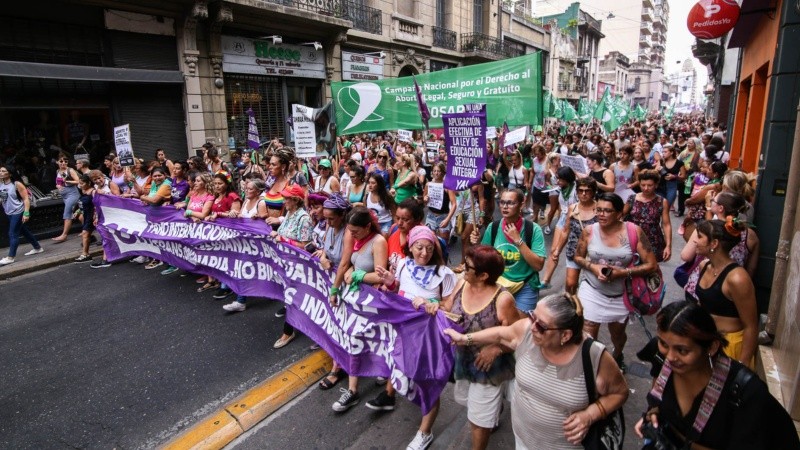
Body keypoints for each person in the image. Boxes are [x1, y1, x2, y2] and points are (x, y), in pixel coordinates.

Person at [444, 293, 629, 450]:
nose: (533, 327)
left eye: (541, 326)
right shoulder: (528, 332)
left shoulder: (594, 356)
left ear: (565, 335)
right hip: (523, 441)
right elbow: (501, 333)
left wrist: (591, 414)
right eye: (533, 317)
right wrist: (464, 338)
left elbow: (620, 393)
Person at [635, 301, 800, 450]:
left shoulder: (747, 393)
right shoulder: (659, 355)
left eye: (682, 350)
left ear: (712, 347)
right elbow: (657, 392)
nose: (670, 357)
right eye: (664, 344)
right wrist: (654, 412)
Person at [365, 225, 457, 449]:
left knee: (429, 381)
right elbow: (398, 292)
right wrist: (390, 283)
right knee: (405, 375)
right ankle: (392, 395)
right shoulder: (404, 266)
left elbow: (451, 307)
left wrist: (433, 304)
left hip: (429, 340)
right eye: (419, 247)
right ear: (410, 247)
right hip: (403, 334)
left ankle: (424, 432)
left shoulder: (444, 274)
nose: (423, 253)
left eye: (428, 248)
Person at [442, 245, 521, 450]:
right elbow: (447, 308)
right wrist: (430, 304)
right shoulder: (461, 284)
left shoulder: (503, 299)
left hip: (489, 368)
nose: (462, 269)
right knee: (470, 405)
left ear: (484, 275)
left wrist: (495, 349)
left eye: (467, 267)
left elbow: (517, 336)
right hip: (464, 362)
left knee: (478, 422)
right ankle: (493, 411)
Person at [573, 192, 658, 371]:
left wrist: (623, 273)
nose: (601, 214)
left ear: (619, 214)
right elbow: (578, 257)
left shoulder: (634, 231)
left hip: (622, 294)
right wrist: (593, 267)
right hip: (592, 290)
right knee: (588, 331)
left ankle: (618, 354)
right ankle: (590, 368)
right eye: (599, 210)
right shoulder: (589, 231)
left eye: (607, 211)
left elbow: (651, 265)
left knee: (617, 335)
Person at [328, 206, 388, 412]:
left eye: (355, 232)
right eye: (350, 231)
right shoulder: (358, 239)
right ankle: (352, 390)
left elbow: (381, 275)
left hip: (370, 304)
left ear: (368, 226)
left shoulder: (378, 242)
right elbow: (352, 261)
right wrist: (351, 272)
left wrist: (358, 275)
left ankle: (380, 372)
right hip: (355, 300)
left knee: (372, 342)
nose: (351, 235)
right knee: (352, 341)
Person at [685, 219, 758, 367]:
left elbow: (751, 326)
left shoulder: (738, 278)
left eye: (699, 237)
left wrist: (742, 366)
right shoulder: (703, 266)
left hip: (729, 347)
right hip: (706, 341)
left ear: (714, 244)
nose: (695, 241)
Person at [471, 189, 546, 314]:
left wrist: (519, 241)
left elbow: (538, 265)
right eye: (502, 202)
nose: (505, 207)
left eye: (510, 203)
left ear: (521, 205)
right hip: (498, 285)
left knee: (520, 328)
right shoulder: (493, 227)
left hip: (525, 285)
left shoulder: (533, 229)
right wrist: (476, 244)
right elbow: (482, 259)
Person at [271, 184, 313, 348]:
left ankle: (288, 332)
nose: (284, 200)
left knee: (292, 297)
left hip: (298, 266)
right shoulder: (289, 213)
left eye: (287, 197)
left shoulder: (304, 219)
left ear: (295, 200)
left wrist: (283, 240)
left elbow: (306, 245)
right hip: (286, 263)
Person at [546, 178, 598, 294]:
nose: (583, 194)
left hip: (593, 253)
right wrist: (557, 250)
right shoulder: (572, 208)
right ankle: (571, 306)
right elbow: (566, 230)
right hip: (574, 250)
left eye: (587, 191)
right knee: (570, 284)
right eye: (580, 191)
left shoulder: (599, 209)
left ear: (594, 192)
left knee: (592, 285)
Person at [623, 169, 672, 262]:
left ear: (656, 185)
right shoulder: (632, 198)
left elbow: (666, 224)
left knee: (651, 268)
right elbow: (621, 215)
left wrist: (668, 246)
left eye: (650, 185)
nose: (646, 188)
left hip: (653, 241)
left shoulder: (662, 201)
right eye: (643, 185)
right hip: (633, 238)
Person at [0, 165, 43, 266]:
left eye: (3, 171)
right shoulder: (1, 184)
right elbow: (3, 198)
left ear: (9, 173)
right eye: (0, 171)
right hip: (9, 212)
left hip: (18, 211)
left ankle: (10, 257)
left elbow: (25, 199)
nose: (0, 173)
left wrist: (26, 213)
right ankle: (37, 248)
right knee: (24, 231)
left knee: (12, 233)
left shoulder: (17, 184)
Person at [423, 162, 456, 242]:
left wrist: (448, 219)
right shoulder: (428, 185)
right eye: (434, 171)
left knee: (443, 243)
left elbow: (454, 204)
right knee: (429, 242)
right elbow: (425, 203)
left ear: (443, 173)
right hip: (431, 216)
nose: (436, 173)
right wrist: (425, 199)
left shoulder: (447, 186)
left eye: (438, 171)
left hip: (443, 216)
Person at [51, 155, 81, 243]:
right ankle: (87, 230)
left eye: (65, 161)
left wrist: (66, 181)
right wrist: (58, 186)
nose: (63, 163)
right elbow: (58, 182)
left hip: (72, 193)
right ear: (57, 162)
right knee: (79, 213)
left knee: (67, 213)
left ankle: (64, 235)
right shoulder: (58, 171)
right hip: (64, 195)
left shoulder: (70, 170)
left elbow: (78, 181)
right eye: (61, 161)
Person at [73, 175, 96, 263]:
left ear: (89, 183)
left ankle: (85, 254)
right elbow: (82, 204)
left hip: (91, 216)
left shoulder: (93, 192)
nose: (80, 185)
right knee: (86, 234)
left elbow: (97, 204)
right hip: (85, 215)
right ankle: (86, 254)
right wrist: (78, 211)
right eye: (79, 183)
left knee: (85, 234)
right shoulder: (83, 191)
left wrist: (95, 215)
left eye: (82, 183)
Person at [656, 144, 685, 211]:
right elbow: (654, 172)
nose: (663, 153)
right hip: (660, 186)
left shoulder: (679, 163)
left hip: (672, 186)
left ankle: (664, 221)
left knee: (666, 208)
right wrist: (658, 170)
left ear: (671, 152)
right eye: (663, 152)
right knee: (659, 208)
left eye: (665, 152)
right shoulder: (661, 161)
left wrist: (674, 176)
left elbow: (683, 176)